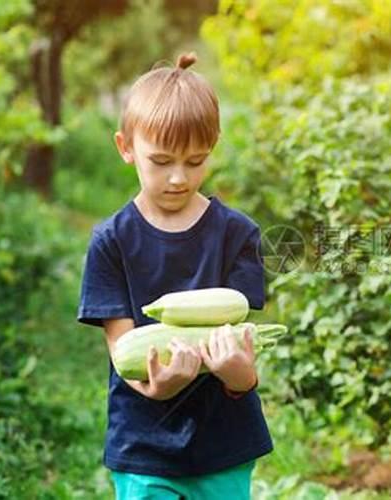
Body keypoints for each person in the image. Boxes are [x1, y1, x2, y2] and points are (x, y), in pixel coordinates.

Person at [77, 52, 272, 499]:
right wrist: (156, 386)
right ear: (126, 147)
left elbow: (242, 350)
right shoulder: (111, 241)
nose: (179, 178)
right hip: (144, 446)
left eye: (195, 160)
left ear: (214, 146)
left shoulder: (238, 234)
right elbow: (123, 352)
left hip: (225, 444)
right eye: (161, 161)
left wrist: (241, 377)